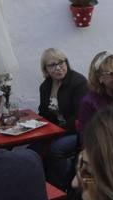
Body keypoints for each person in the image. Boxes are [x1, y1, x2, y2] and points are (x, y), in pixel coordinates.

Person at [37, 48, 89, 189]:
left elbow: (80, 116)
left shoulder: (78, 82)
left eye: (61, 62)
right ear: (45, 69)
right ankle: (43, 187)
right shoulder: (45, 86)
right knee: (33, 150)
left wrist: (57, 132)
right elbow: (43, 113)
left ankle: (62, 189)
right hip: (56, 131)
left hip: (79, 132)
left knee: (56, 149)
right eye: (52, 65)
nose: (58, 67)